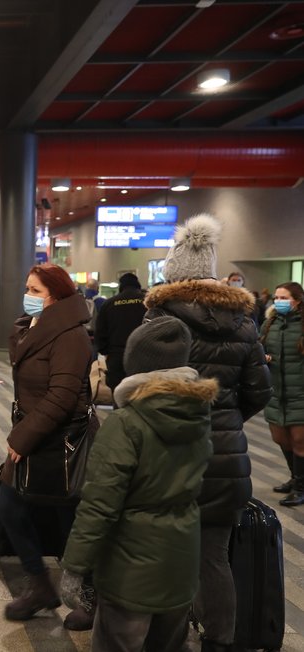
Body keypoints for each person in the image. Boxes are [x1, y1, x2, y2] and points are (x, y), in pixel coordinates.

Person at [143, 213, 271, 651]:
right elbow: (259, 391)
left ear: (172, 271)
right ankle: (220, 641)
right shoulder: (245, 323)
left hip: (171, 455)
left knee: (169, 555)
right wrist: (227, 418)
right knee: (214, 556)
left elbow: (144, 388)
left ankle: (171, 638)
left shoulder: (160, 319)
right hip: (226, 455)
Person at [60, 316, 216, 652]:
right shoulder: (199, 416)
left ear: (137, 366)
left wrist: (75, 566)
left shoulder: (126, 423)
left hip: (129, 569)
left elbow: (99, 505)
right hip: (181, 559)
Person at [0, 262, 99, 630]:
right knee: (11, 504)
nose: (28, 296)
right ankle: (39, 584)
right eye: (27, 288)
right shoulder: (32, 328)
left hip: (62, 441)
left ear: (55, 295)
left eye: (36, 291)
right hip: (35, 432)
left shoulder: (71, 336)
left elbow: (61, 396)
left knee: (69, 517)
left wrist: (21, 440)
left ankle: (86, 594)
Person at [260, 282, 304, 505]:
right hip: (276, 391)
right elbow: (260, 348)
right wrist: (264, 358)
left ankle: (300, 486)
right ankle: (294, 477)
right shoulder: (270, 323)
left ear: (296, 300)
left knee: (299, 440)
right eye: (276, 297)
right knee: (281, 438)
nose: (278, 301)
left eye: (284, 298)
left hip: (300, 392)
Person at [94, 272, 147, 394]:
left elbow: (100, 333)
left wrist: (106, 351)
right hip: (143, 357)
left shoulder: (109, 304)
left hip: (117, 358)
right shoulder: (146, 301)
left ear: (121, 286)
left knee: (119, 397)